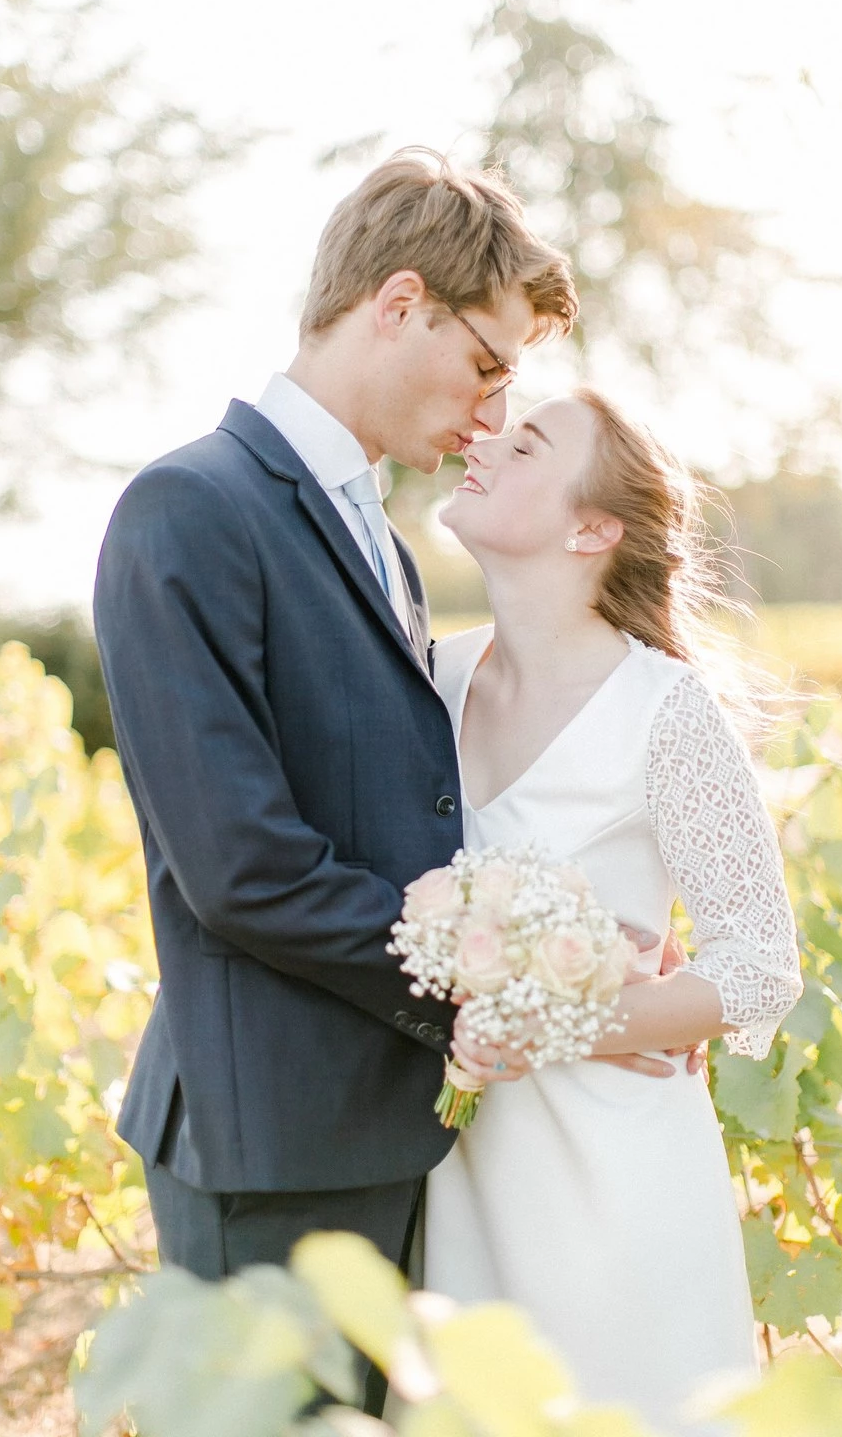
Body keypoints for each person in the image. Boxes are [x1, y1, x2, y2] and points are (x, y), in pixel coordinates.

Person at [92, 149, 581, 1410]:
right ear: (400, 301)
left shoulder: (387, 544)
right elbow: (240, 867)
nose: (491, 409)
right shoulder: (188, 508)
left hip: (385, 1127)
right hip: (270, 1148)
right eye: (488, 363)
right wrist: (469, 987)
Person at [423, 389, 803, 1436]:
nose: (483, 441)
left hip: (616, 1179)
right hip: (463, 1169)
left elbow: (761, 964)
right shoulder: (430, 676)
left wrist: (562, 1021)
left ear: (593, 529)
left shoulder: (662, 711)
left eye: (527, 441)